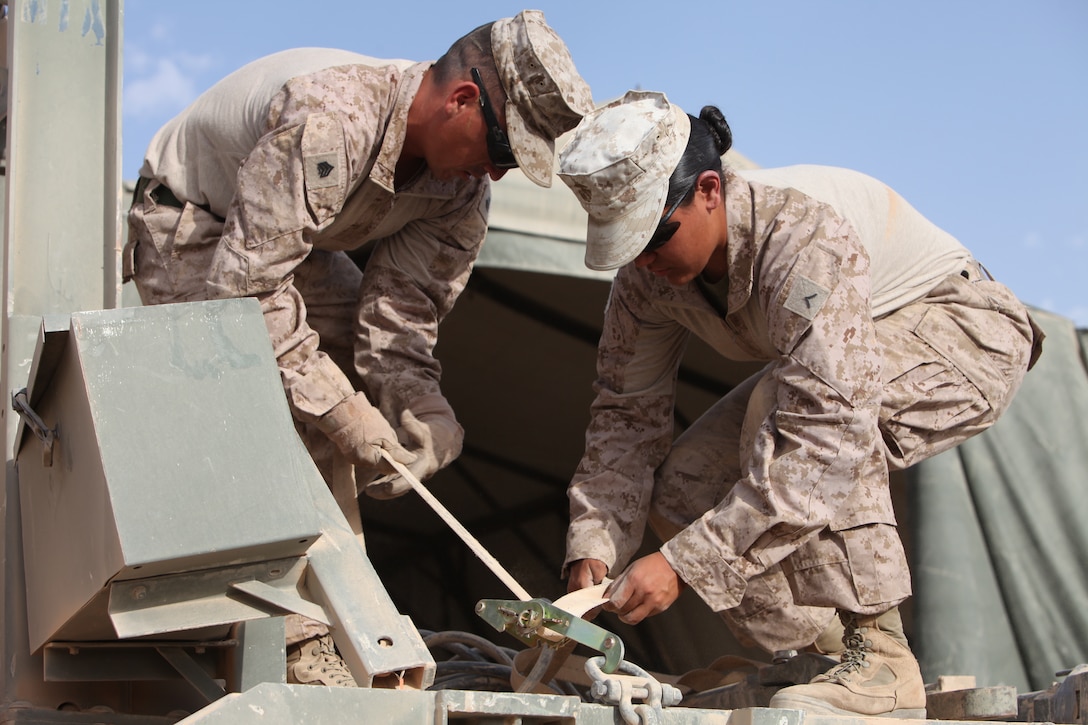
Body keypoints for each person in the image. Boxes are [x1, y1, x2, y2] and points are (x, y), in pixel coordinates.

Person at [125, 10, 593, 687]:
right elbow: (244, 296)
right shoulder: (332, 119)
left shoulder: (461, 188)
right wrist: (342, 410)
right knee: (274, 400)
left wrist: (423, 412)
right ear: (461, 101)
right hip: (192, 224)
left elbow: (400, 315)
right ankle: (300, 632)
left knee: (332, 373)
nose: (498, 171)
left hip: (282, 250)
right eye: (502, 148)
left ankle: (342, 609)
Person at [556, 91, 1042, 716]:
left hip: (966, 332)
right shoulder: (644, 284)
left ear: (709, 190)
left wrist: (683, 565)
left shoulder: (801, 235)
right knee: (684, 489)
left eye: (656, 236)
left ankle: (883, 657)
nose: (646, 261)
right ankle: (830, 655)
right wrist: (596, 543)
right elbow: (625, 418)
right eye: (629, 247)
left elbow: (828, 429)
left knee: (791, 417)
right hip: (837, 373)